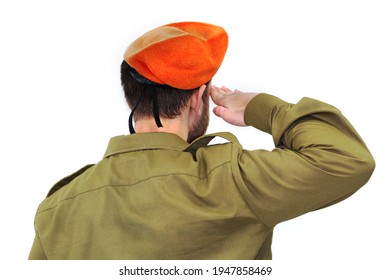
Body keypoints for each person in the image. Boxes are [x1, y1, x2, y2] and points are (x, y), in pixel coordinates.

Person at [29, 21, 375, 260]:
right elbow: (346, 157)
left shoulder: (58, 207)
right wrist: (261, 108)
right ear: (197, 97)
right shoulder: (230, 179)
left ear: (130, 98)